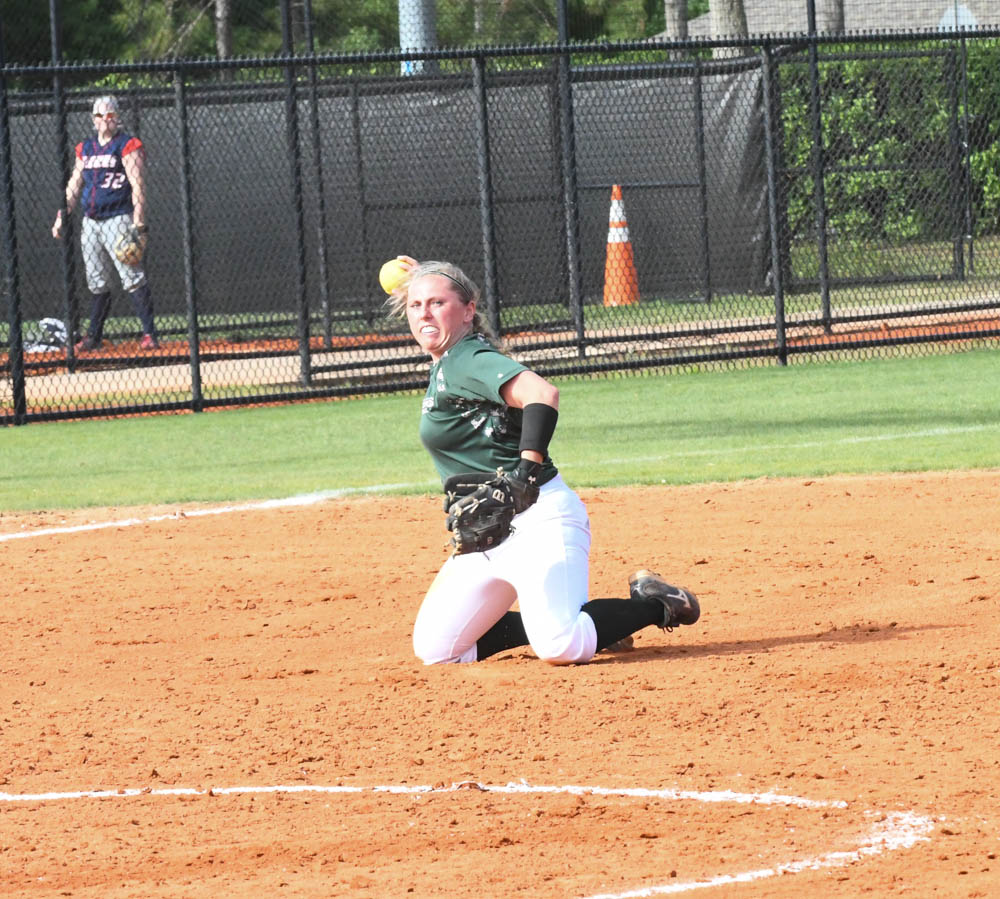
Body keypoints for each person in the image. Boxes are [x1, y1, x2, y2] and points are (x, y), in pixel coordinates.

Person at [386, 257, 702, 665]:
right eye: (416, 305)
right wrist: (423, 276)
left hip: (540, 518)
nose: (424, 313)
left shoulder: (466, 358)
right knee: (437, 652)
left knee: (560, 648)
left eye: (437, 303)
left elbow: (542, 393)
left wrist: (525, 472)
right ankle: (595, 623)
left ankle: (656, 604)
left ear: (468, 311)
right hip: (487, 532)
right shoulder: (445, 365)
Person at [51, 95, 159, 351]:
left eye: (110, 115)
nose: (105, 120)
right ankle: (94, 337)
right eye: (100, 116)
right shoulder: (85, 148)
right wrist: (60, 217)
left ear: (117, 117)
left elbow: (137, 185)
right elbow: (74, 187)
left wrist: (139, 223)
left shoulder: (127, 145)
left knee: (131, 275)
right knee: (97, 280)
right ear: (93, 120)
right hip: (91, 222)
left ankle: (149, 334)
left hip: (118, 217)